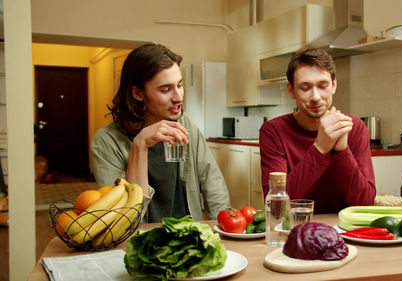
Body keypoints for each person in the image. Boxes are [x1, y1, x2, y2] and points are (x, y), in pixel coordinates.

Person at [90, 43, 230, 222]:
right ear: (138, 93)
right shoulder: (106, 142)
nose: (178, 97)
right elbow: (122, 220)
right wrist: (139, 145)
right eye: (165, 89)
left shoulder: (184, 123)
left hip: (189, 236)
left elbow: (212, 182)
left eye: (179, 85)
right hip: (142, 242)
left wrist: (225, 227)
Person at [259, 48, 376, 214]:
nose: (315, 96)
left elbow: (365, 204)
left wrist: (341, 151)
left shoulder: (355, 128)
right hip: (294, 228)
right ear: (291, 90)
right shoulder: (273, 131)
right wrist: (320, 147)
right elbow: (277, 208)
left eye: (322, 86)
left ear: (333, 86)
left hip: (343, 231)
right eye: (305, 88)